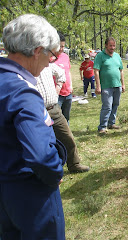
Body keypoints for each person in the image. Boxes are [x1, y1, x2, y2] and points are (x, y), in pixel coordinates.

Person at [0, 14, 66, 239]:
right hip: (30, 194)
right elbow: (40, 156)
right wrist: (54, 172)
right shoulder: (23, 92)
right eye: (51, 55)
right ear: (38, 51)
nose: (51, 61)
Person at [36, 64, 90, 173]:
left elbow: (61, 72)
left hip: (54, 109)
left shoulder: (47, 64)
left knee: (67, 137)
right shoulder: (26, 68)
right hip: (38, 111)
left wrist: (59, 86)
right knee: (41, 144)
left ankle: (74, 164)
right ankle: (47, 172)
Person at [94, 37, 125, 133]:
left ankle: (111, 123)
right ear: (106, 45)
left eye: (114, 45)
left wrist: (123, 84)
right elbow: (96, 71)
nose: (112, 47)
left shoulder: (117, 56)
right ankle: (102, 127)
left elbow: (121, 70)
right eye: (110, 45)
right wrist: (98, 86)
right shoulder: (100, 56)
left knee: (115, 104)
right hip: (106, 86)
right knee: (107, 106)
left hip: (117, 85)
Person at [55, 33, 73, 123]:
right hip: (57, 94)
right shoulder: (50, 58)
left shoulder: (65, 57)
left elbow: (68, 71)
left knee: (66, 118)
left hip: (68, 93)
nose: (61, 49)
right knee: (57, 119)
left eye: (63, 46)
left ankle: (66, 136)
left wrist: (71, 86)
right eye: (59, 46)